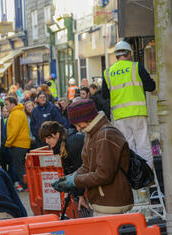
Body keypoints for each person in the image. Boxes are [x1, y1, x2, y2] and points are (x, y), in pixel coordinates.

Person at [52, 99, 134, 216]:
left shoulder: (105, 135)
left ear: (89, 118)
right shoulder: (91, 133)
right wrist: (71, 177)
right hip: (101, 200)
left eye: (78, 124)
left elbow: (104, 175)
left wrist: (74, 181)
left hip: (112, 202)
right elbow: (87, 166)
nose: (78, 128)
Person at [102, 40, 156, 168]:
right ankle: (147, 179)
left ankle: (134, 180)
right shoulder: (136, 67)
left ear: (116, 56)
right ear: (129, 54)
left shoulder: (108, 72)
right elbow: (151, 86)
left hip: (120, 116)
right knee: (143, 145)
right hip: (138, 113)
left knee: (128, 148)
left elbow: (105, 95)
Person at [39, 121, 87, 212]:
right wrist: (67, 191)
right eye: (45, 139)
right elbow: (68, 168)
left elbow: (80, 169)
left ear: (57, 134)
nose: (47, 141)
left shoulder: (72, 144)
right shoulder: (62, 145)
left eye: (49, 137)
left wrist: (81, 196)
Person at [4, 96, 31, 191]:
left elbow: (14, 131)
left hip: (18, 144)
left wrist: (8, 143)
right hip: (21, 144)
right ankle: (26, 184)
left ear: (12, 104)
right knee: (21, 165)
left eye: (7, 104)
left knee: (19, 166)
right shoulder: (19, 112)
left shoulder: (15, 114)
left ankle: (26, 185)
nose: (5, 107)